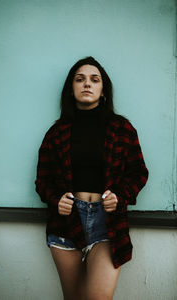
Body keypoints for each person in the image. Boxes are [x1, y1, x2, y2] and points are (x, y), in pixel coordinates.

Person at [35, 56, 148, 300]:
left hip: (107, 224)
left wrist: (120, 196)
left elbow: (139, 172)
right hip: (66, 223)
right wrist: (56, 199)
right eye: (80, 79)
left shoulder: (121, 129)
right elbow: (42, 180)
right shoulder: (56, 133)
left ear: (103, 90)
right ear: (71, 89)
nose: (87, 84)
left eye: (94, 80)